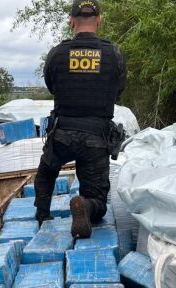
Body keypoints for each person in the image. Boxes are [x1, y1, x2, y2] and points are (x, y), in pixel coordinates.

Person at [34, 0, 127, 238]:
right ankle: (86, 207)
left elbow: (52, 87)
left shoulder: (57, 54)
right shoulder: (113, 54)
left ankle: (43, 215)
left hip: (62, 134)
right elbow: (118, 91)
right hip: (96, 139)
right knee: (98, 201)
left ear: (71, 21)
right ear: (99, 21)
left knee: (46, 173)